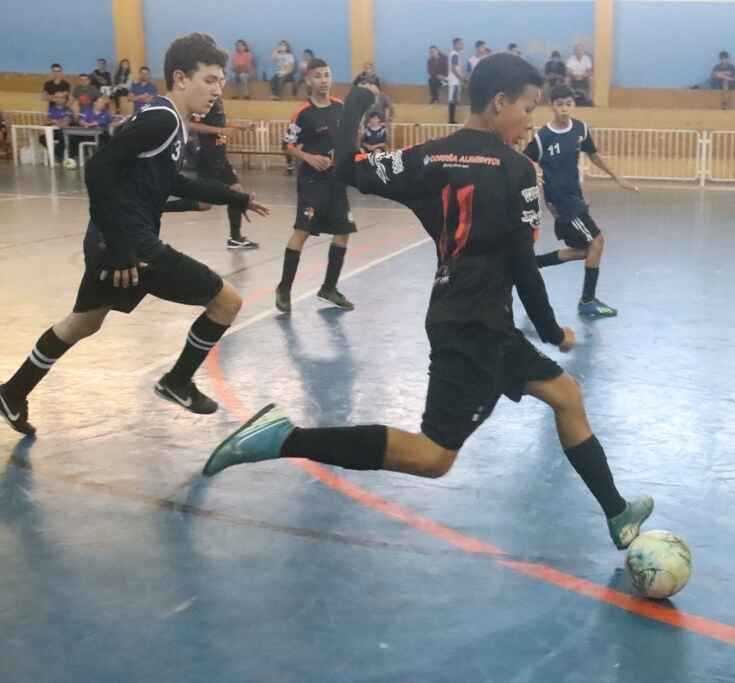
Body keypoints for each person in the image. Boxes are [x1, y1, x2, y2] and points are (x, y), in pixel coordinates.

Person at [202, 54, 654, 552]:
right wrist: (551, 330)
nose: (531, 119)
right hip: (475, 328)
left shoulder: (430, 156)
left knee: (565, 395)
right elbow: (521, 263)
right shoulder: (516, 170)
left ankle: (617, 512)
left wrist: (355, 103)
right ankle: (283, 437)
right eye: (527, 107)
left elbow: (350, 169)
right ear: (500, 103)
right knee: (433, 457)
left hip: (468, 317)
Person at [0, 33, 270, 436]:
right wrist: (123, 249)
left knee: (82, 323)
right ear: (181, 77)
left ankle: (12, 392)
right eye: (210, 79)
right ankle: (177, 381)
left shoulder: (171, 121)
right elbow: (98, 170)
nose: (218, 89)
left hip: (112, 238)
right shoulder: (161, 118)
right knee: (226, 302)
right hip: (130, 244)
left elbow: (167, 180)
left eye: (221, 81)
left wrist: (233, 196)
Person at [524, 84, 637, 318]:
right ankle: (587, 301)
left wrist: (618, 177)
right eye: (559, 104)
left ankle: (534, 263)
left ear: (573, 105)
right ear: (551, 106)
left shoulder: (581, 130)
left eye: (568, 104)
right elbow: (524, 161)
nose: (564, 109)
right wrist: (535, 175)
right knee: (597, 242)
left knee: (585, 250)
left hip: (575, 198)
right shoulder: (542, 137)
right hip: (561, 202)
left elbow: (593, 155)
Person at [276, 58, 358, 313]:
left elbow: (347, 139)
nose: (324, 80)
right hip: (312, 183)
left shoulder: (340, 107)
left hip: (336, 181)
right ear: (309, 80)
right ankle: (284, 289)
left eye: (327, 75)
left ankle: (329, 288)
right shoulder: (303, 113)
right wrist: (309, 158)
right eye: (318, 76)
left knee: (343, 231)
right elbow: (287, 146)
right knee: (302, 232)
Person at [165, 96, 260, 249]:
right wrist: (221, 130)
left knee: (237, 191)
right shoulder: (204, 100)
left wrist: (238, 125)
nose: (220, 83)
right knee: (204, 204)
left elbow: (218, 124)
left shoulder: (218, 100)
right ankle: (159, 206)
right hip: (207, 156)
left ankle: (235, 238)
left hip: (220, 155)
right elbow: (191, 125)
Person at [448, 37, 466, 124]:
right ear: (455, 45)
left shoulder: (456, 54)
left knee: (454, 99)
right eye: (460, 44)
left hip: (455, 80)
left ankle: (452, 119)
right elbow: (453, 68)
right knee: (452, 99)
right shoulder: (454, 54)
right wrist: (461, 78)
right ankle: (451, 120)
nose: (462, 45)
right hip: (454, 80)